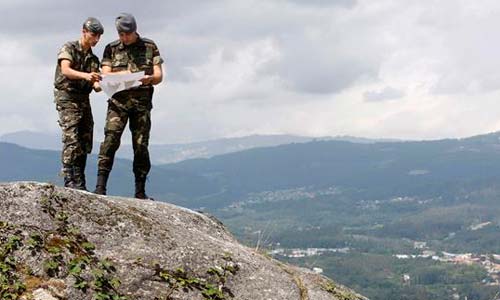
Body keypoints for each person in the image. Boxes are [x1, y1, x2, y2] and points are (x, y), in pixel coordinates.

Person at [94, 13, 164, 199]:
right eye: (121, 34)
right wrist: (126, 74)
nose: (124, 37)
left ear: (135, 31)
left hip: (141, 104)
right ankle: (100, 187)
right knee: (110, 141)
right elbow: (105, 75)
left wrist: (150, 78)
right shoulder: (111, 48)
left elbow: (159, 75)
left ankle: (140, 191)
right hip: (118, 103)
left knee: (141, 145)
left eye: (128, 34)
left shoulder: (149, 46)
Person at [54, 17, 104, 190]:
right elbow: (66, 70)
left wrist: (103, 83)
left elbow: (96, 84)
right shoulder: (69, 48)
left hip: (83, 99)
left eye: (98, 36)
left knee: (85, 138)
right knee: (71, 138)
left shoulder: (93, 59)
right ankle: (69, 179)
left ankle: (79, 181)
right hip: (67, 97)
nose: (96, 39)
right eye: (93, 35)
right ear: (84, 32)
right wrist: (86, 76)